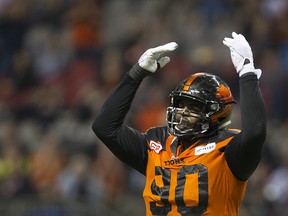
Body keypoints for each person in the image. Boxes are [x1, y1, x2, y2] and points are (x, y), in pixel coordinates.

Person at [92, 32, 267, 216]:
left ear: (216, 113)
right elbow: (104, 127)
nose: (182, 112)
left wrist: (247, 73)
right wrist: (135, 75)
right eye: (180, 104)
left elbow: (255, 132)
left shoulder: (226, 150)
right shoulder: (158, 144)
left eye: (193, 107)